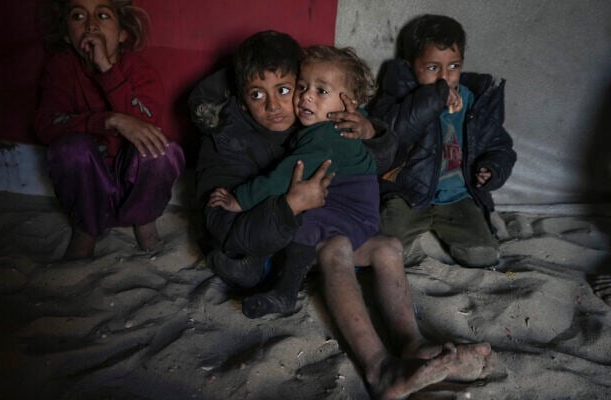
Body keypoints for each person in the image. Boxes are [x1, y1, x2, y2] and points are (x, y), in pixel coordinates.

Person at [192, 30, 494, 398]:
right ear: (242, 100)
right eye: (303, 88)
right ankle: (379, 367)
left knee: (388, 247)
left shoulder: (326, 125)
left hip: (329, 220)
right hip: (281, 240)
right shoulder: (232, 138)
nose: (289, 102)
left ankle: (412, 343)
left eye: (291, 89)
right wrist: (269, 204)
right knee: (337, 247)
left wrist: (370, 131)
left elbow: (378, 150)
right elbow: (238, 215)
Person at [208, 45, 380, 318]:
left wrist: (240, 199)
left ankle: (285, 292)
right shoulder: (330, 125)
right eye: (302, 87)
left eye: (321, 91)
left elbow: (285, 175)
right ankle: (256, 265)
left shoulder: (326, 136)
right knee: (291, 211)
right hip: (339, 206)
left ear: (350, 104)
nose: (306, 97)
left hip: (353, 214)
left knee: (300, 220)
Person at [35, 0, 185, 260]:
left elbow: (145, 124)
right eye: (78, 16)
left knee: (164, 150)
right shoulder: (61, 68)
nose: (91, 24)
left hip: (132, 183)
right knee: (69, 150)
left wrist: (107, 69)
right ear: (68, 37)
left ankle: (145, 222)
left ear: (123, 34)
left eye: (102, 15)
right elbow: (46, 125)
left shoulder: (140, 71)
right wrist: (110, 120)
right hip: (89, 190)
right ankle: (85, 231)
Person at [369, 14, 517, 268]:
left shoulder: (474, 101)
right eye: (432, 67)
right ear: (409, 66)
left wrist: (492, 169)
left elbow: (499, 145)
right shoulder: (398, 97)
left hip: (458, 196)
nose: (444, 77)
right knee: (381, 249)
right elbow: (394, 132)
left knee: (483, 255)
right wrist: (434, 97)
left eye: (453, 66)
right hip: (409, 194)